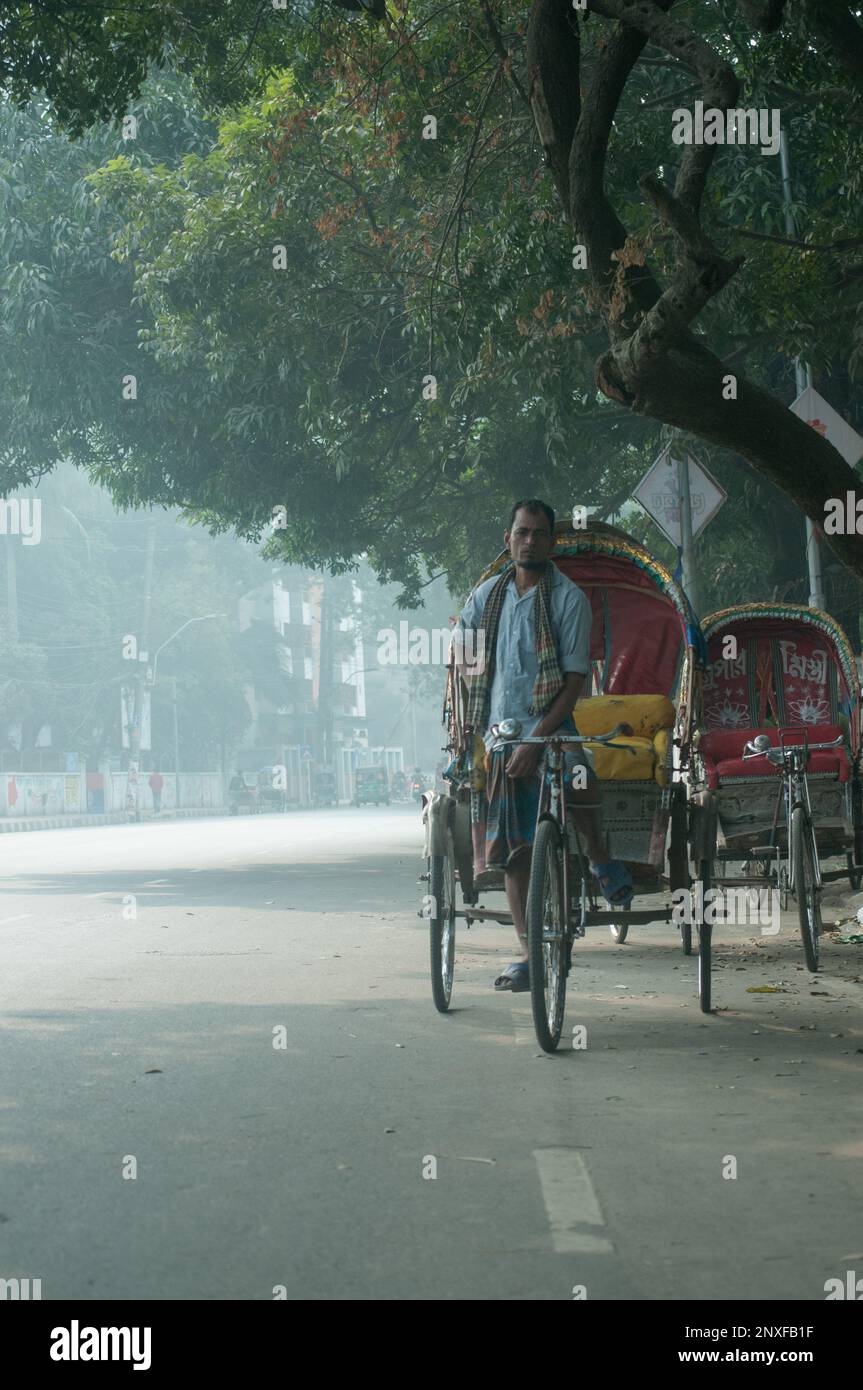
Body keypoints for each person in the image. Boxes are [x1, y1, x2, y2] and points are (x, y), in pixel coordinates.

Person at [457, 498, 633, 992]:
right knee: (516, 852)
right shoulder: (484, 598)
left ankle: (598, 856)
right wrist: (469, 724)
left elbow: (575, 681)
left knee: (578, 776)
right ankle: (528, 951)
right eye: (522, 532)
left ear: (550, 541)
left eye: (538, 532)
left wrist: (538, 737)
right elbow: (466, 665)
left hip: (553, 728)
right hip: (499, 735)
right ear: (508, 538)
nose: (529, 540)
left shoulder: (567, 598)